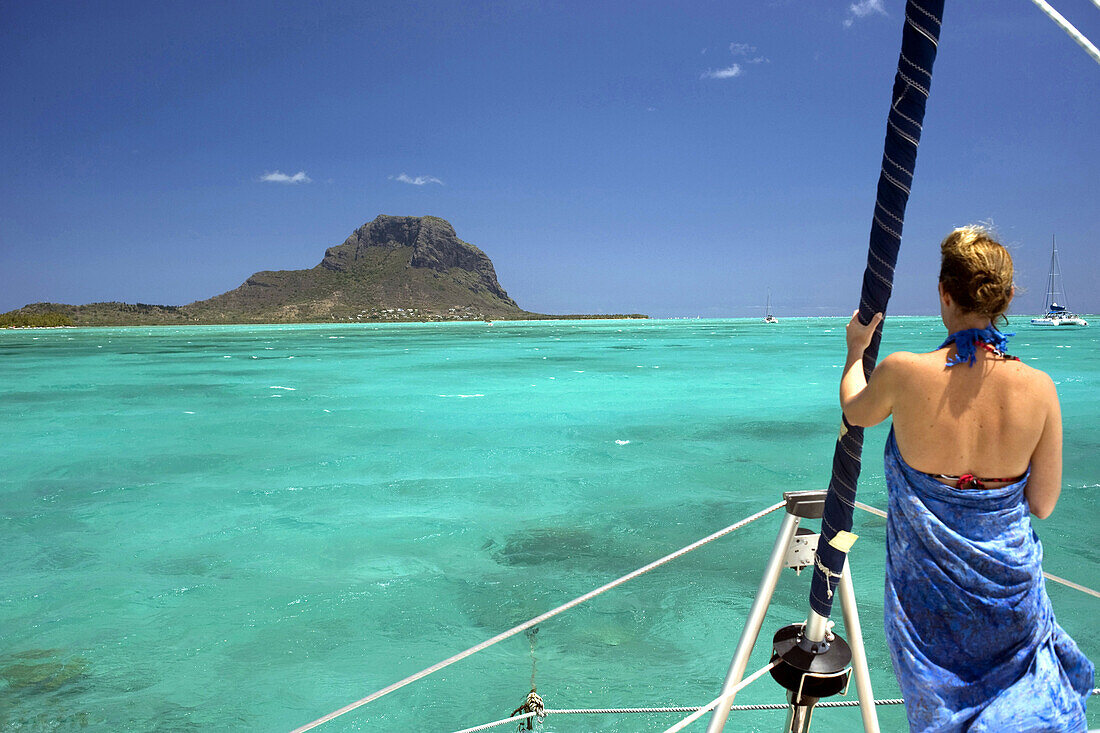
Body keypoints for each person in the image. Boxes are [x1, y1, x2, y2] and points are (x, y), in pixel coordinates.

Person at [840, 226, 1093, 731]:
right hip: (1011, 595)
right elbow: (1042, 503)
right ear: (1005, 298)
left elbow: (854, 410)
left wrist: (854, 350)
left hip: (927, 607)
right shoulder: (1039, 389)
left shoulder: (902, 372)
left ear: (944, 292)